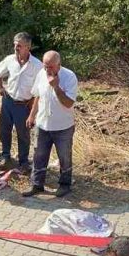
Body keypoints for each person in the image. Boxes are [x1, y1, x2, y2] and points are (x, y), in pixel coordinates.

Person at [22, 50, 78, 198]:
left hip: (63, 127)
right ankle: (37, 185)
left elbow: (69, 103)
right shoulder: (41, 74)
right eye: (45, 66)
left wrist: (56, 87)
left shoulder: (69, 77)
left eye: (50, 67)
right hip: (43, 124)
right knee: (38, 155)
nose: (47, 69)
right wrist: (32, 115)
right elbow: (37, 96)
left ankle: (65, 185)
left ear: (59, 64)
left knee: (64, 157)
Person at [0, 32, 43, 171]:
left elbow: (39, 89)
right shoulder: (9, 60)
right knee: (4, 130)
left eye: (19, 46)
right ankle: (5, 156)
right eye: (15, 45)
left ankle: (23, 162)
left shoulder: (37, 65)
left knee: (23, 134)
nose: (16, 48)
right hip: (8, 101)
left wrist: (32, 108)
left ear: (28, 47)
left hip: (23, 105)